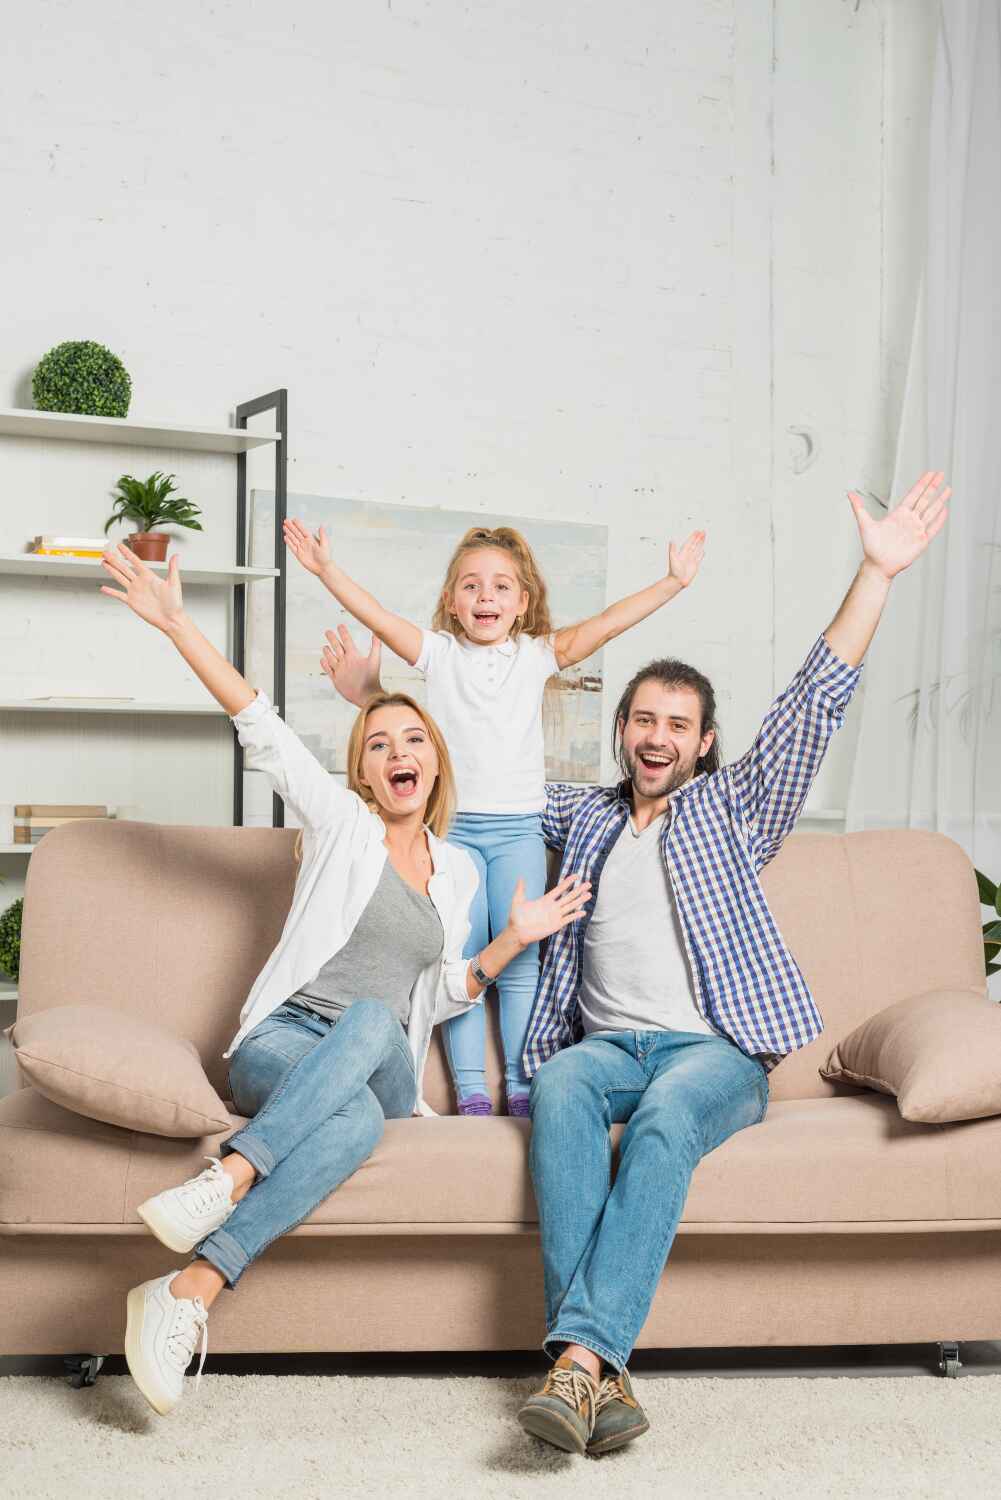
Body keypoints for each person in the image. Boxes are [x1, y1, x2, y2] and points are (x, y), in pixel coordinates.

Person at [323, 472, 950, 1456]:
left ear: (703, 743)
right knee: (559, 1085)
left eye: (676, 725)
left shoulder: (734, 811)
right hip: (607, 1049)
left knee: (661, 1124)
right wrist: (370, 698)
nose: (656, 737)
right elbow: (455, 772)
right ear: (621, 732)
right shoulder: (582, 816)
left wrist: (873, 576)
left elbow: (810, 708)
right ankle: (599, 1379)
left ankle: (575, 1360)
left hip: (711, 1056)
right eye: (642, 720)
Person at [97, 542, 591, 1418]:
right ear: (362, 772)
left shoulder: (458, 873)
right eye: (379, 744)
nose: (399, 753)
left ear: (434, 763)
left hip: (379, 1055)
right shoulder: (340, 827)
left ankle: (229, 1176)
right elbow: (258, 721)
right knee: (354, 1122)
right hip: (283, 1044)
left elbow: (433, 996)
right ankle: (188, 1290)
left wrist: (510, 942)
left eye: (414, 740)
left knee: (370, 1021)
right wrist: (178, 625)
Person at [283, 516, 705, 1118]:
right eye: (472, 586)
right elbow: (376, 614)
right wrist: (326, 569)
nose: (486, 597)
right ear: (452, 601)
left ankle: (522, 1085)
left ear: (523, 603)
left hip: (517, 832)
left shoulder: (536, 656)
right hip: (449, 833)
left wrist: (672, 583)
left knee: (521, 960)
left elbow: (608, 622)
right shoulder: (438, 653)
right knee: (460, 961)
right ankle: (472, 1092)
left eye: (502, 586)